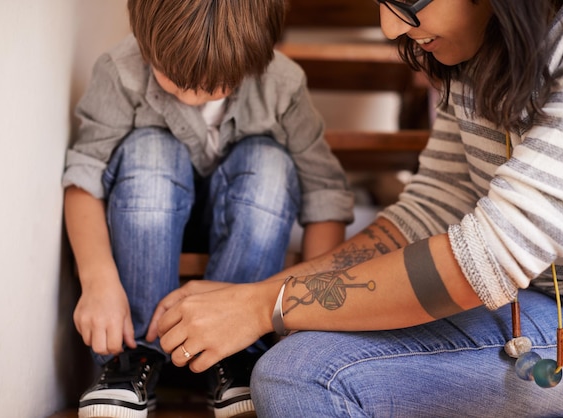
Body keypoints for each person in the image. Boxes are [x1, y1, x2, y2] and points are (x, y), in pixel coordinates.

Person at [148, 0, 563, 416]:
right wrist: (263, 293)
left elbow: (487, 256)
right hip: (537, 303)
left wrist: (263, 304)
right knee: (299, 360)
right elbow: (431, 207)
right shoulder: (476, 45)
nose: (389, 27)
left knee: (300, 376)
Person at [62, 0, 355, 416]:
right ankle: (134, 358)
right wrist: (97, 281)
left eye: (213, 86)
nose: (189, 95)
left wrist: (304, 314)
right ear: (146, 43)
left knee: (270, 161)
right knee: (148, 148)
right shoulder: (120, 69)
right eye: (171, 78)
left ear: (254, 59)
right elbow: (84, 178)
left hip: (243, 233)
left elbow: (325, 193)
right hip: (150, 222)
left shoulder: (283, 84)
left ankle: (235, 353)